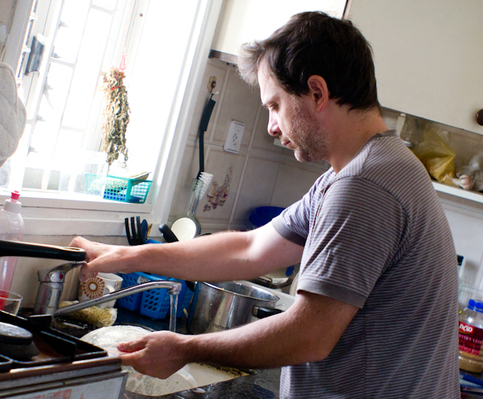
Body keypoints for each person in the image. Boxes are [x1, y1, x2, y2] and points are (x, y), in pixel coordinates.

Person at [71, 11, 459, 398]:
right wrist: (127, 254)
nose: (273, 125)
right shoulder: (364, 171)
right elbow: (250, 248)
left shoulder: (365, 186)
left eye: (275, 105)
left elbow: (308, 336)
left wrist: (185, 349)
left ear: (318, 93)